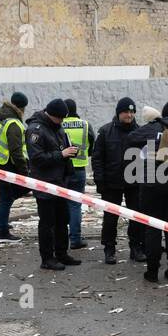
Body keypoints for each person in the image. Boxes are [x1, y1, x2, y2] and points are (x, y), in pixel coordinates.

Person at [126, 99, 168, 282]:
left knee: (152, 228)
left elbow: (131, 138)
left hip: (152, 184)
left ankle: (152, 272)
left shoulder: (154, 128)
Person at [27, 99, 81, 271]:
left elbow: (61, 148)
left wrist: (70, 151)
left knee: (62, 220)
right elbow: (37, 159)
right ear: (51, 115)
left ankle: (61, 254)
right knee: (47, 223)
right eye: (60, 118)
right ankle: (47, 258)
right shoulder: (35, 130)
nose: (62, 122)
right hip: (45, 184)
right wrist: (62, 154)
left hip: (60, 182)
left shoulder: (57, 127)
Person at [92, 96, 143, 264]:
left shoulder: (140, 132)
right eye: (126, 112)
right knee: (110, 218)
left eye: (132, 112)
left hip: (134, 183)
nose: (129, 115)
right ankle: (109, 249)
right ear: (118, 113)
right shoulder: (106, 131)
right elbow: (97, 158)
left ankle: (135, 248)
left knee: (136, 217)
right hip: (111, 184)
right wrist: (100, 181)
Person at [0, 91, 30, 240]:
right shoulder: (13, 124)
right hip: (6, 165)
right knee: (8, 196)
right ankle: (2, 232)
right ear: (22, 108)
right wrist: (24, 173)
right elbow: (16, 152)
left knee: (7, 196)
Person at [61, 98, 94, 250]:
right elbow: (93, 144)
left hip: (62, 170)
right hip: (79, 169)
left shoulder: (59, 124)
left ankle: (61, 238)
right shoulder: (85, 125)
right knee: (75, 205)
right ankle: (75, 239)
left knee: (62, 204)